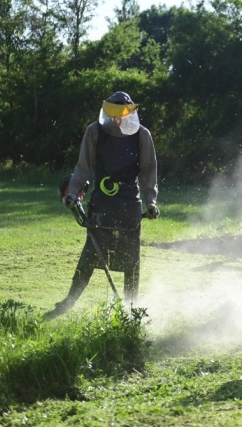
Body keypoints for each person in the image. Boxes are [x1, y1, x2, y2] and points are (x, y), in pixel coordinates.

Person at [45, 91, 159, 319]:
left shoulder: (141, 136)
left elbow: (149, 172)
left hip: (129, 208)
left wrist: (151, 202)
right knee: (89, 257)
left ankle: (131, 311)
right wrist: (74, 194)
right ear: (107, 114)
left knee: (131, 263)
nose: (118, 121)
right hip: (102, 205)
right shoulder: (94, 132)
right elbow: (83, 167)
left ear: (130, 115)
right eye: (114, 116)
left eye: (122, 116)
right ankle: (69, 301)